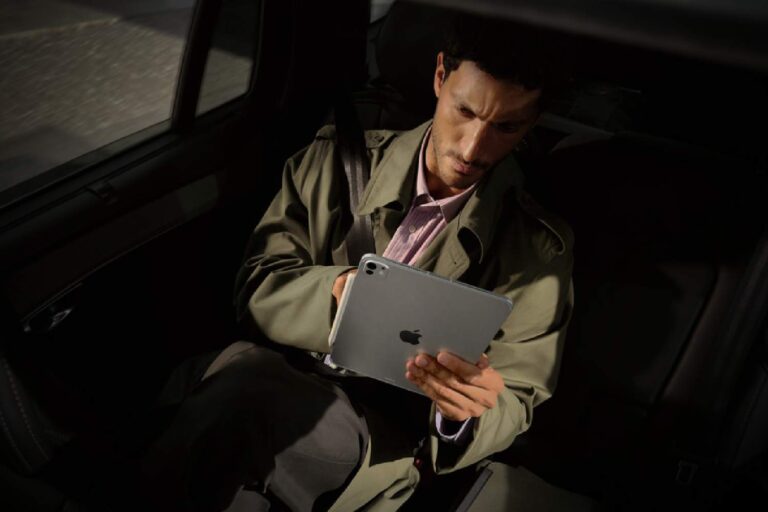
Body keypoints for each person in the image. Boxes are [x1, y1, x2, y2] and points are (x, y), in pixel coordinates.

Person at [136, 15, 573, 512]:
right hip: (271, 371)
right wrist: (337, 293)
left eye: (506, 127)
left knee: (241, 398)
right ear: (439, 77)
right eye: (465, 111)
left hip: (373, 429)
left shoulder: (536, 250)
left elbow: (517, 394)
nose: (474, 147)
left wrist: (463, 414)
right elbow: (257, 284)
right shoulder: (332, 161)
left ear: (531, 123)